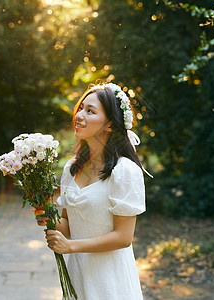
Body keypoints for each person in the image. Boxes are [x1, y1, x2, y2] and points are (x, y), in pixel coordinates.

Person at [37, 82, 148, 300]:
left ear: (109, 125)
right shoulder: (72, 168)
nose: (79, 115)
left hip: (111, 281)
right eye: (81, 108)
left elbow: (123, 237)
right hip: (79, 276)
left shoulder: (124, 171)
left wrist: (70, 247)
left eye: (90, 111)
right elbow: (69, 227)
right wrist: (45, 212)